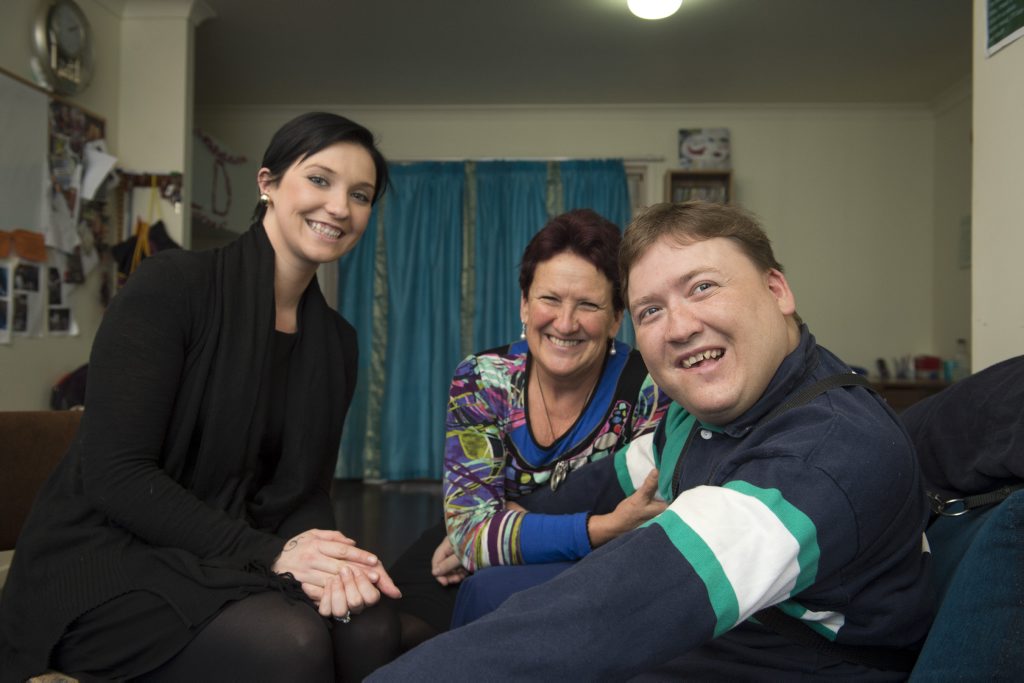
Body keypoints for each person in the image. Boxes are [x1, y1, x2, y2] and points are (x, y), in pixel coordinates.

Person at [370, 200, 934, 680]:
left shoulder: (822, 452)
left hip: (798, 657)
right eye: (653, 310)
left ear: (777, 289)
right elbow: (599, 485)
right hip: (735, 620)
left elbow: (628, 603)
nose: (681, 326)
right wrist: (505, 527)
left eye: (704, 288)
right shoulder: (703, 414)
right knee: (491, 592)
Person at [0, 112, 399, 682]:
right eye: (319, 179)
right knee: (292, 640)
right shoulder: (170, 286)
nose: (339, 206)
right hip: (107, 559)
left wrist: (332, 561)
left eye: (360, 195)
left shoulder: (337, 342)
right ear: (267, 183)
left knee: (371, 621)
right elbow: (118, 474)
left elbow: (303, 491)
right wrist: (275, 555)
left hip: (225, 553)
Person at [341, 209, 672, 677]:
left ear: (618, 317)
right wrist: (594, 527)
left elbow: (649, 525)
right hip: (490, 543)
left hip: (576, 561)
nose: (565, 321)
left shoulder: (647, 388)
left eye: (589, 306)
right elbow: (471, 536)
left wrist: (507, 525)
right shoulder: (483, 379)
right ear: (523, 306)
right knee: (379, 635)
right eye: (549, 299)